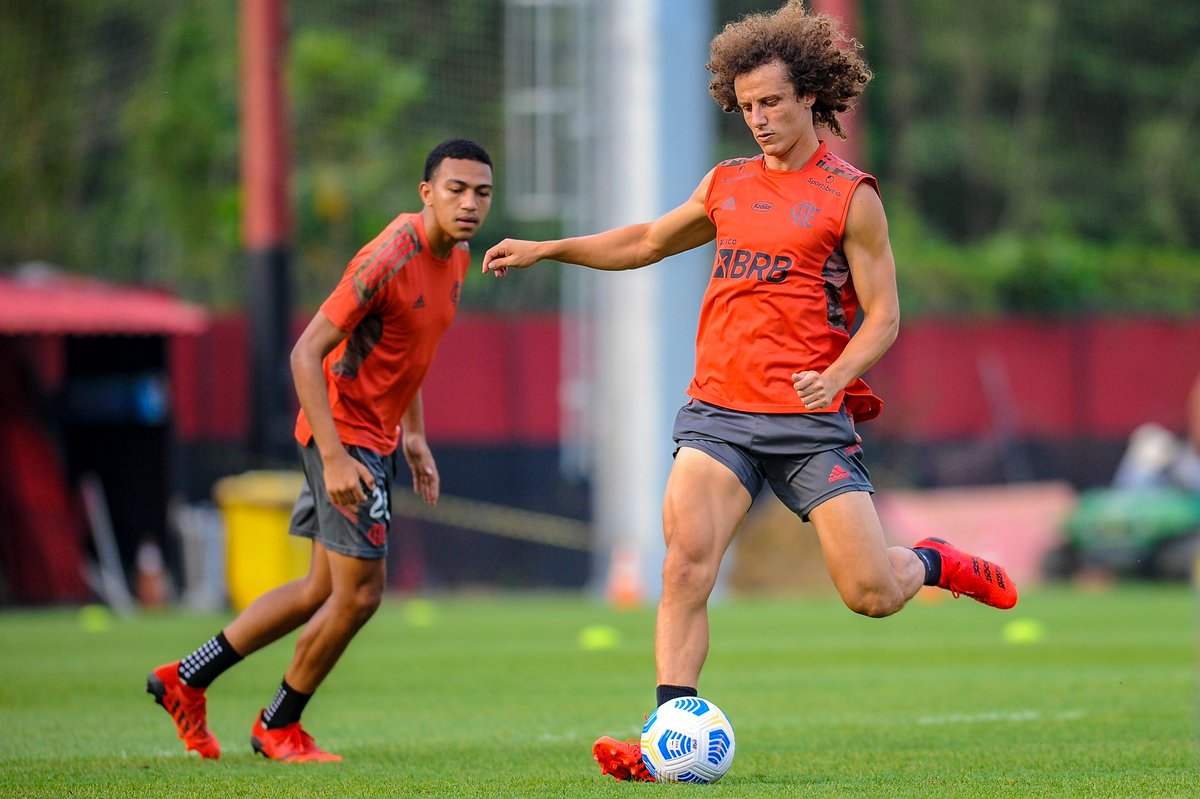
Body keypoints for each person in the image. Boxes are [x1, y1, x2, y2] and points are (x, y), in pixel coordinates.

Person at [482, 2, 1017, 783]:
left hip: (809, 422)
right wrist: (548, 248)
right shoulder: (727, 185)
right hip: (720, 414)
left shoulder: (850, 196)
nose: (758, 119)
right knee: (684, 565)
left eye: (771, 102)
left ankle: (932, 563)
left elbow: (886, 316)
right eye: (746, 106)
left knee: (869, 592)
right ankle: (665, 731)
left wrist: (836, 375)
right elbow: (644, 242)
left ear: (809, 96)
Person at [147, 138, 494, 763]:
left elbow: (407, 351)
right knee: (360, 595)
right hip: (343, 434)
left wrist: (414, 436)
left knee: (317, 591)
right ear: (427, 193)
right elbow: (305, 352)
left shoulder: (459, 259)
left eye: (481, 193)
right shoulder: (390, 255)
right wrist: (336, 458)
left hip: (375, 436)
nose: (469, 203)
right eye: (456, 190)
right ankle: (278, 725)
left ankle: (186, 678)